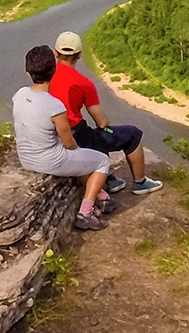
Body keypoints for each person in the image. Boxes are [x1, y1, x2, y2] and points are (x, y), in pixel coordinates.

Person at [12, 45, 114, 230]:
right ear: (54, 71)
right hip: (49, 160)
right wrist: (79, 152)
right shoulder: (55, 106)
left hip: (25, 158)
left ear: (28, 73)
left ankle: (103, 196)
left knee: (80, 160)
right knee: (101, 161)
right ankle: (86, 213)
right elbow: (68, 143)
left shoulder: (19, 95)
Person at [51, 30, 162, 195]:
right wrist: (106, 124)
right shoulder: (84, 83)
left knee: (91, 136)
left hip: (53, 134)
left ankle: (110, 179)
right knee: (130, 134)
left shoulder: (45, 75)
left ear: (55, 53)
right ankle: (140, 183)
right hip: (76, 134)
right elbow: (101, 122)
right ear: (80, 55)